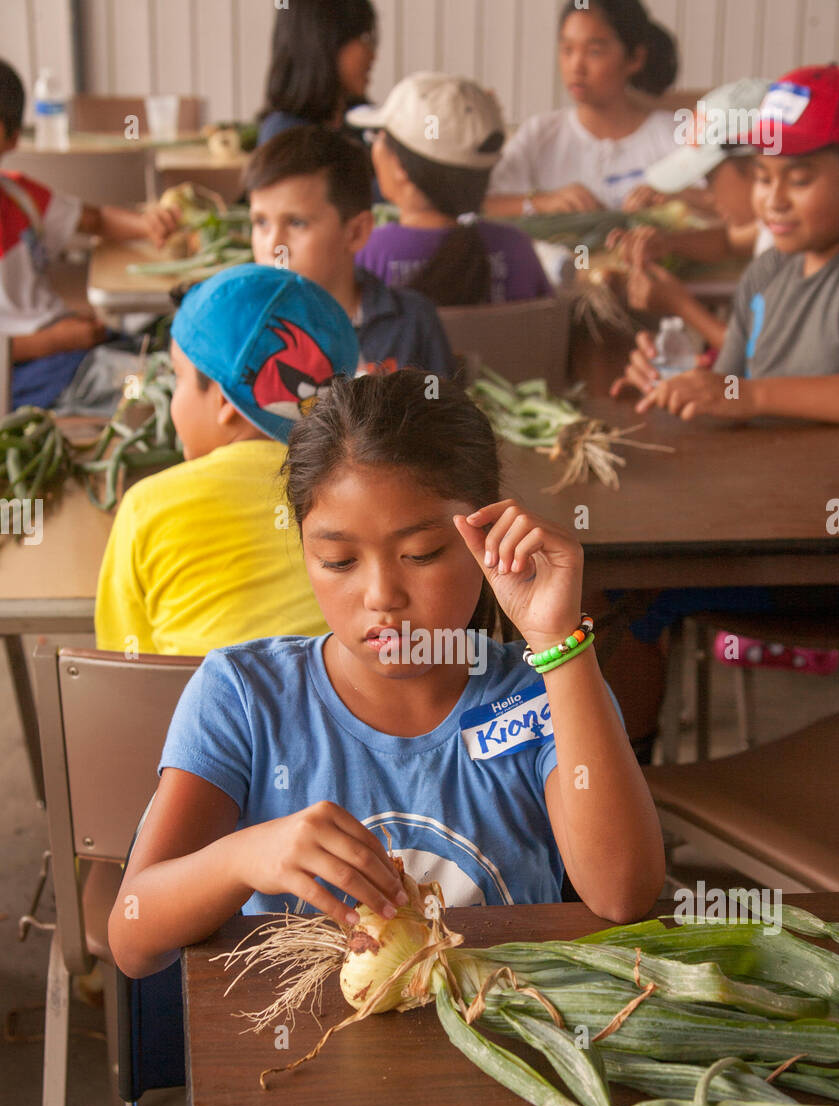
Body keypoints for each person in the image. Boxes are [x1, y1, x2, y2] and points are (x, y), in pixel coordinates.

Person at [108, 368, 665, 980]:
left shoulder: (540, 690)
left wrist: (560, 643)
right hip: (303, 1039)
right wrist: (242, 856)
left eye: (421, 554)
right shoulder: (243, 696)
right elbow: (133, 941)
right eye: (338, 560)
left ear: (488, 535)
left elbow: (623, 895)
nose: (381, 596)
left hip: (498, 1028)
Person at [94, 264, 359, 656]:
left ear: (224, 402)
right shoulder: (364, 493)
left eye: (179, 378)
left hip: (186, 698)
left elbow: (123, 663)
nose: (173, 397)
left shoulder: (145, 507)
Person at [612, 64, 839, 424]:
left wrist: (755, 396)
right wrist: (671, 382)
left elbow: (749, 394)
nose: (774, 201)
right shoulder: (765, 274)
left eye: (799, 180)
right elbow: (732, 389)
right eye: (763, 177)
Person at [0, 58, 179, 409]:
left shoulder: (21, 197)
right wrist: (55, 340)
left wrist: (148, 225)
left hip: (70, 342)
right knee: (161, 389)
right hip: (23, 369)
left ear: (12, 139)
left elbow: (95, 220)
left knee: (176, 340)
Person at [246, 126, 455, 376]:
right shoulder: (245, 330)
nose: (273, 246)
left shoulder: (413, 322)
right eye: (261, 222)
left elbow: (441, 401)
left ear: (356, 232)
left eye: (297, 223)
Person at [349, 73, 550, 305]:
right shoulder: (517, 249)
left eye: (377, 136)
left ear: (401, 167)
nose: (374, 145)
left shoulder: (366, 255)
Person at [606, 78, 771, 353]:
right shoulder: (773, 231)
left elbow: (761, 357)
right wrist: (668, 243)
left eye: (709, 177)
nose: (709, 195)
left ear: (758, 166)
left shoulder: (796, 248)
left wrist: (680, 305)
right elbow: (729, 242)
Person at [484, 0, 679, 218]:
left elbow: (710, 203)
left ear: (635, 58)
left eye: (594, 52)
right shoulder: (539, 134)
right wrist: (542, 203)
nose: (576, 66)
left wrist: (676, 198)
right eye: (567, 50)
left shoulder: (673, 134)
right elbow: (483, 205)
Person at [257, 0, 378, 146]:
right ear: (324, 41)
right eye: (363, 38)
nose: (372, 55)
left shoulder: (362, 123)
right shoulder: (286, 137)